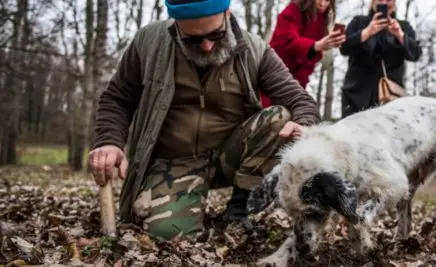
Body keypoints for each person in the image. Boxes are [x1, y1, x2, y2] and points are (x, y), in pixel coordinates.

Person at [87, 0, 321, 242]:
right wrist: (109, 141)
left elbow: (299, 100)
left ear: (227, 13)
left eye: (216, 34)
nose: (208, 46)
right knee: (167, 235)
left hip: (230, 157)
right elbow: (117, 97)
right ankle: (184, 206)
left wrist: (304, 124)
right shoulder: (149, 42)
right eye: (193, 40)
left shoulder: (254, 49)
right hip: (175, 162)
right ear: (176, 26)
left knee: (280, 119)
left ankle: (239, 209)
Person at [339, 0, 422, 118]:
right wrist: (367, 32)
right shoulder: (358, 22)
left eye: (388, 0)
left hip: (391, 96)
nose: (384, 2)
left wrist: (400, 35)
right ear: (373, 2)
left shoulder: (403, 26)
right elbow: (344, 48)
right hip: (357, 95)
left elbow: (415, 54)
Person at [268, 0, 346, 91]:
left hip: (298, 83)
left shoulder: (324, 18)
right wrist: (316, 46)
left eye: (327, 0)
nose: (323, 4)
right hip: (275, 75)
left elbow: (312, 55)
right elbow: (288, 42)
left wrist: (320, 49)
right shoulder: (292, 10)